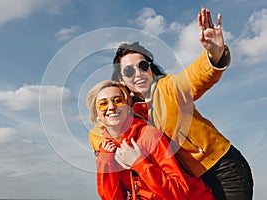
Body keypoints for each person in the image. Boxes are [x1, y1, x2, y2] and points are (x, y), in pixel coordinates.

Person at [89, 8, 253, 200]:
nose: (138, 74)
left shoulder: (169, 88)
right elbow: (99, 131)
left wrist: (214, 54)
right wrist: (107, 151)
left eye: (143, 66)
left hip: (223, 168)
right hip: (191, 180)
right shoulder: (132, 112)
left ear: (151, 69)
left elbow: (195, 77)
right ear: (121, 80)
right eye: (129, 71)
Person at [87, 80, 215, 200]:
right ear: (96, 114)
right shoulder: (107, 148)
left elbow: (179, 191)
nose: (111, 107)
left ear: (127, 107)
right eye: (103, 104)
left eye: (117, 101)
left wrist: (139, 163)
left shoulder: (149, 135)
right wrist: (105, 162)